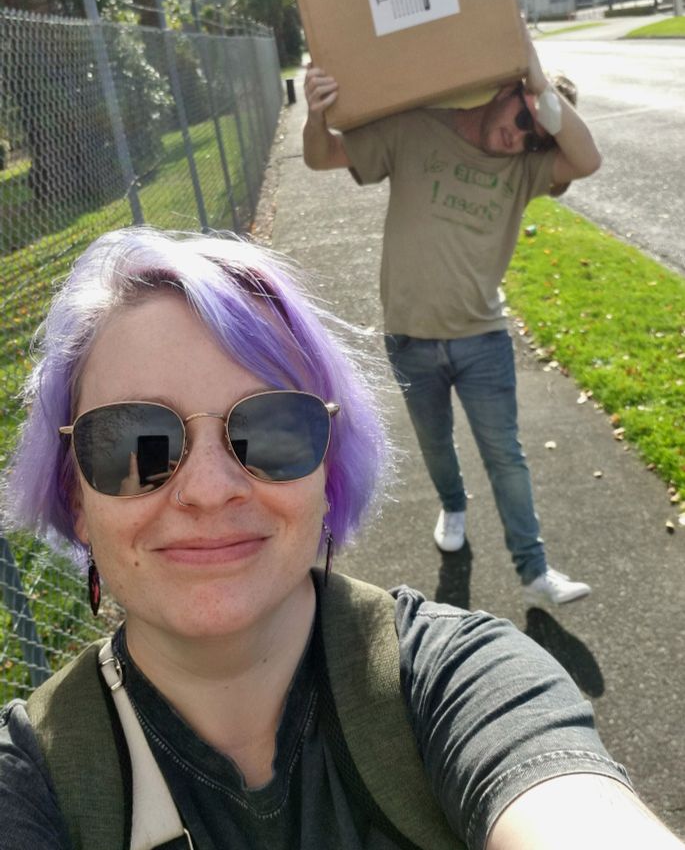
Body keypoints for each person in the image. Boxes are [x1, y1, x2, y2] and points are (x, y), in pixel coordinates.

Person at [0, 226, 681, 850]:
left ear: (327, 471)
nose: (208, 488)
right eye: (136, 442)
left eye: (271, 431)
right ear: (76, 499)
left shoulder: (459, 682)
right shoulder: (32, 783)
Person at [303, 23, 600, 606]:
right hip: (410, 337)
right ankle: (453, 507)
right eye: (523, 121)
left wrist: (540, 84)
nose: (522, 141)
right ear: (504, 93)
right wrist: (315, 115)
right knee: (436, 445)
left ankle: (535, 571)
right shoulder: (417, 127)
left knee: (506, 456)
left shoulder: (526, 170)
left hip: (481, 338)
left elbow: (587, 159)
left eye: (538, 138)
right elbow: (321, 156)